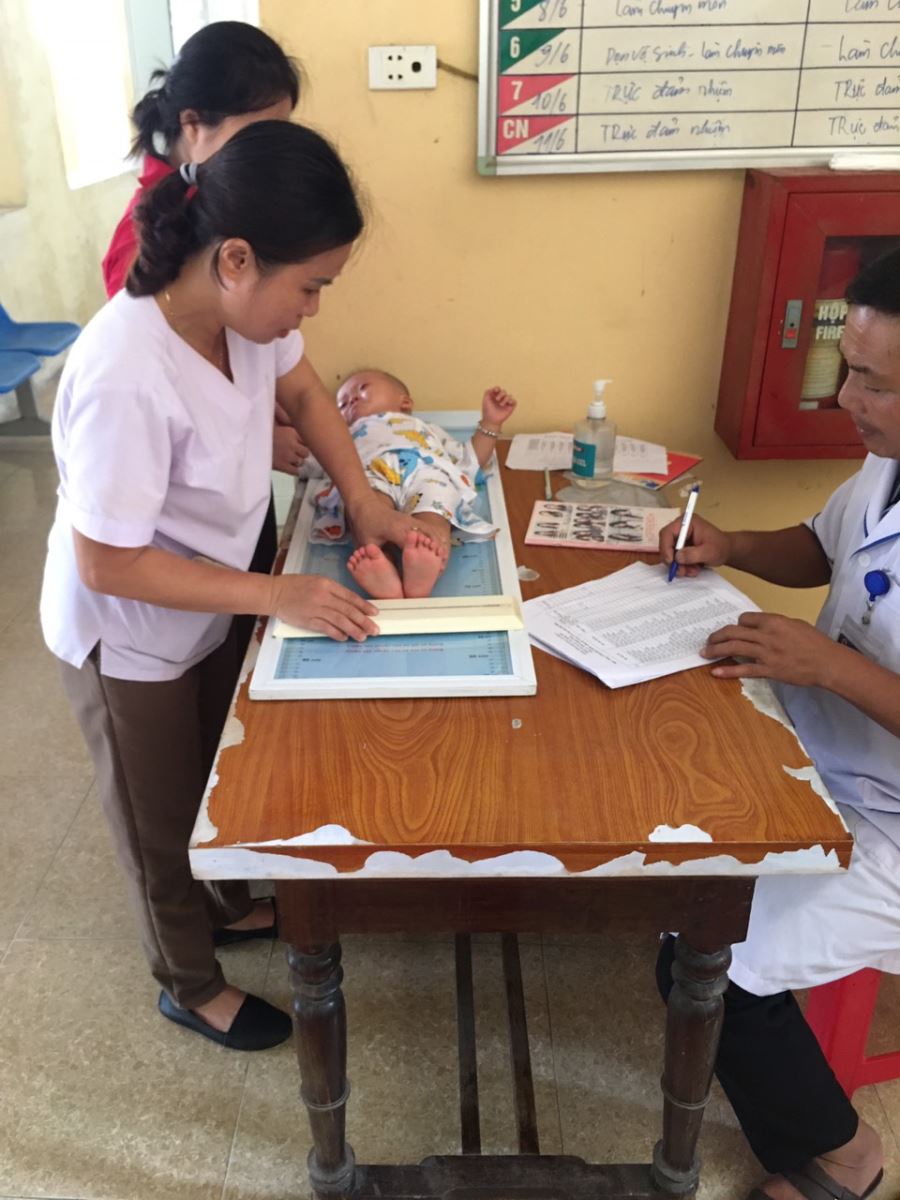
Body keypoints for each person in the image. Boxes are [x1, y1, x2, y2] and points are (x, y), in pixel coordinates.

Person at [40, 121, 414, 1051]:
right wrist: (278, 596)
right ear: (236, 259)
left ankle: (227, 906)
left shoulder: (243, 322)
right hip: (129, 629)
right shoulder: (125, 372)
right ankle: (188, 980)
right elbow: (108, 562)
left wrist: (362, 496)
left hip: (209, 594)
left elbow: (309, 397)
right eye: (310, 286)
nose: (311, 311)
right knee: (157, 816)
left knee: (214, 767)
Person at [657, 248, 900, 1200]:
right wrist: (730, 545)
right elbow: (822, 545)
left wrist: (830, 665)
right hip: (823, 750)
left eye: (875, 382)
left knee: (706, 959)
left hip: (890, 820)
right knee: (658, 789)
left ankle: (848, 1155)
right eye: (850, 368)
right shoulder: (885, 463)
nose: (847, 398)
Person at [102, 20, 309, 609]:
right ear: (192, 125)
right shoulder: (144, 253)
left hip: (232, 503)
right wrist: (255, 438)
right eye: (256, 135)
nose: (268, 156)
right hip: (165, 547)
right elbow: (171, 394)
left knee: (251, 617)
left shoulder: (229, 206)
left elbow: (280, 370)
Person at [311, 368, 516, 598]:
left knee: (436, 503)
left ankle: (424, 568)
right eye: (342, 404)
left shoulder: (425, 428)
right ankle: (381, 566)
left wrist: (491, 424)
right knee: (364, 513)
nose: (352, 400)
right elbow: (314, 458)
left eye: (363, 388)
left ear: (405, 402)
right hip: (368, 475)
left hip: (425, 470)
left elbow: (470, 459)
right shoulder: (340, 436)